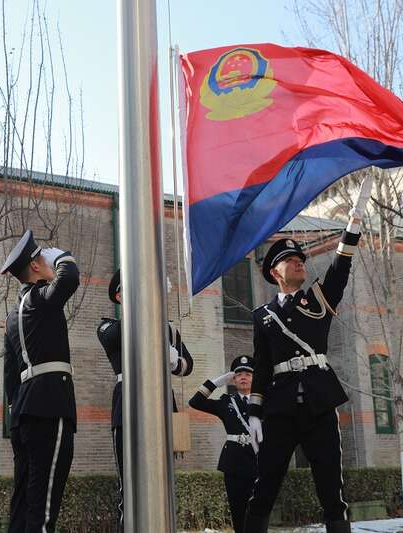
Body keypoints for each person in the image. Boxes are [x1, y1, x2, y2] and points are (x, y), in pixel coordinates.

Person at [243, 179, 373, 533]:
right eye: (290, 260)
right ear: (275, 272)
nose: (299, 263)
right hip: (280, 409)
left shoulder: (319, 297)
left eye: (300, 258)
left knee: (332, 490)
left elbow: (341, 267)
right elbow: (262, 366)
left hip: (318, 403)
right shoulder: (263, 316)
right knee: (264, 488)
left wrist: (354, 222)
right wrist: (254, 412)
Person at [96, 269, 194, 528]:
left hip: (161, 404)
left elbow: (187, 366)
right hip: (128, 406)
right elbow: (122, 337)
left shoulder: (167, 329)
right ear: (119, 295)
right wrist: (152, 315)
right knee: (129, 488)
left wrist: (173, 358)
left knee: (162, 486)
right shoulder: (109, 326)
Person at [2, 229, 79, 533]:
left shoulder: (12, 315)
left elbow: (10, 372)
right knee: (44, 508)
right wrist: (60, 255)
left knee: (23, 504)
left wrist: (14, 406)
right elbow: (69, 277)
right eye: (43, 260)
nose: (48, 264)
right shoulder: (39, 298)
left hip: (23, 413)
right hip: (50, 406)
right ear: (35, 266)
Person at [189, 355, 258, 533]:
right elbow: (195, 402)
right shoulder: (227, 402)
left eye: (248, 374)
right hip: (234, 463)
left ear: (254, 378)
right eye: (239, 374)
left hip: (259, 460)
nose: (243, 377)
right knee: (238, 510)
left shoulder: (264, 401)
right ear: (233, 379)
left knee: (259, 510)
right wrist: (215, 383)